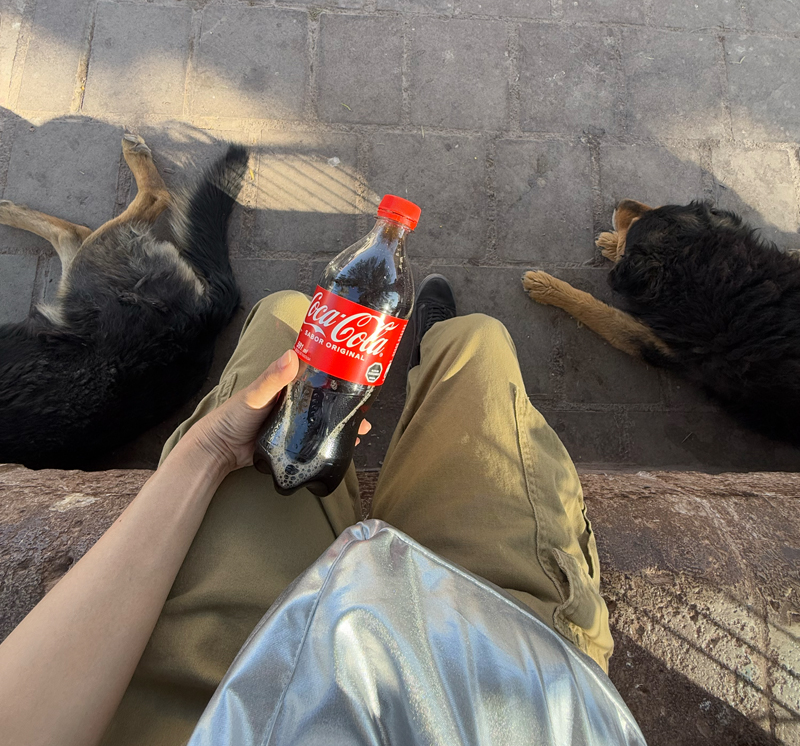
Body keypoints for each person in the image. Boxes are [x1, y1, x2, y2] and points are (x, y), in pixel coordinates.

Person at [0, 275, 645, 745]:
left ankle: (424, 351)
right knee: (477, 347)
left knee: (287, 317)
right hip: (503, 702)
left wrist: (209, 451)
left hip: (202, 709)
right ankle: (434, 347)